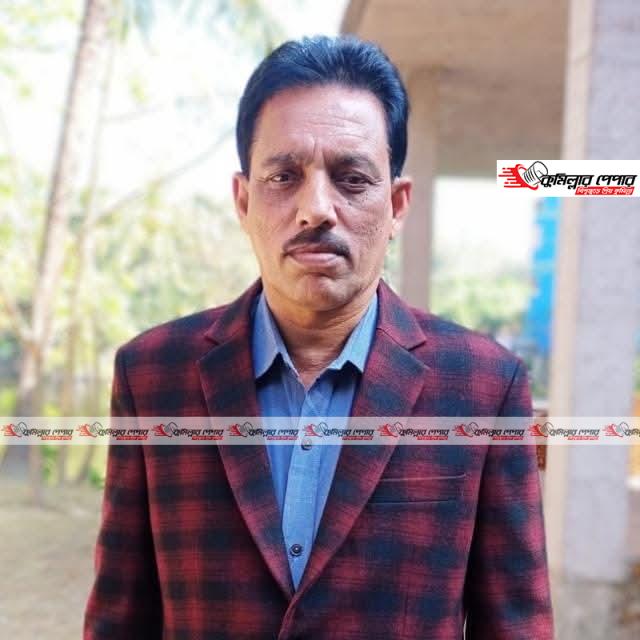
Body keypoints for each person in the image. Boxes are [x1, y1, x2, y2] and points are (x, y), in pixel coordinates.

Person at [84, 35, 553, 639]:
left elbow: (516, 624)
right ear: (243, 200)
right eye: (284, 176)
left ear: (397, 204)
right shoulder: (153, 376)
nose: (316, 210)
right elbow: (120, 617)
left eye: (352, 178)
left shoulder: (484, 387)